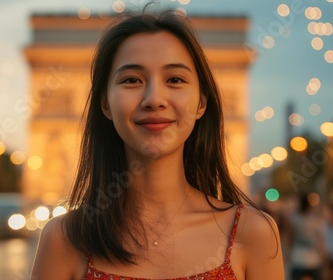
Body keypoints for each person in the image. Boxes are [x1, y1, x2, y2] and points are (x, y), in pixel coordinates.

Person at [31, 9, 284, 280]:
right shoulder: (64, 240)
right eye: (132, 80)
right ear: (105, 103)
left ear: (201, 102)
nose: (154, 99)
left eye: (175, 79)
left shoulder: (254, 234)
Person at [288, 194, 328, 280]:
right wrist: (325, 265)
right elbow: (320, 242)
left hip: (297, 259)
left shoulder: (294, 219)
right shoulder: (315, 220)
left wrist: (288, 256)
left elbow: (290, 239)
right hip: (314, 260)